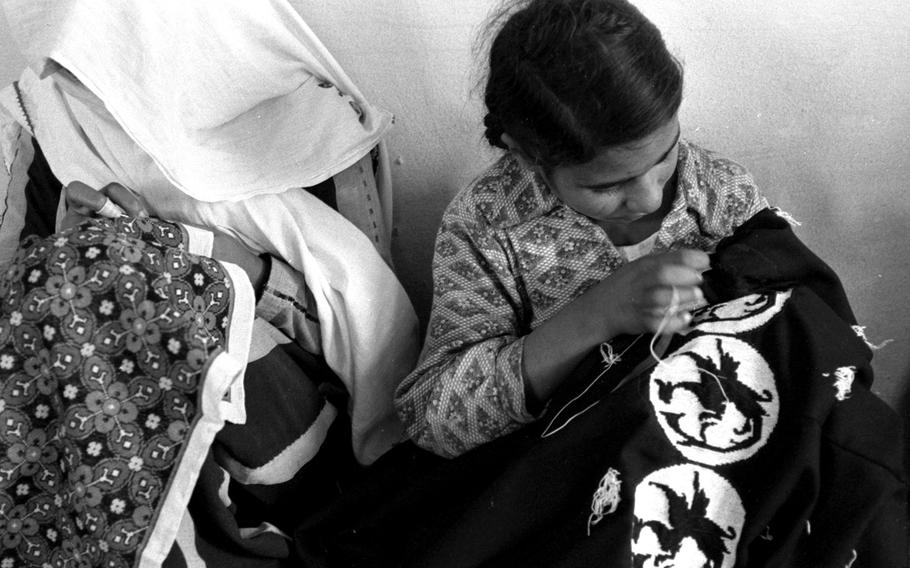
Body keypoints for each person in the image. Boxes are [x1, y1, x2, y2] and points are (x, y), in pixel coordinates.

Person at [394, 0, 769, 458]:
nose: (651, 196)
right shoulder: (486, 225)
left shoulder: (721, 192)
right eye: (608, 185)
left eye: (665, 156)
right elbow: (433, 418)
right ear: (528, 154)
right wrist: (596, 316)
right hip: (572, 468)